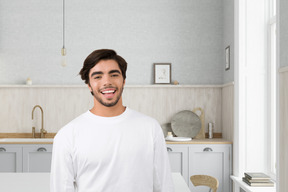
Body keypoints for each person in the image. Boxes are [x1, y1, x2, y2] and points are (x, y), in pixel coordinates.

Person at [50, 49, 174, 192]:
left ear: (124, 81)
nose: (107, 82)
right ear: (89, 85)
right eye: (97, 77)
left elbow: (164, 185)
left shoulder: (150, 128)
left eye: (114, 75)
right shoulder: (67, 135)